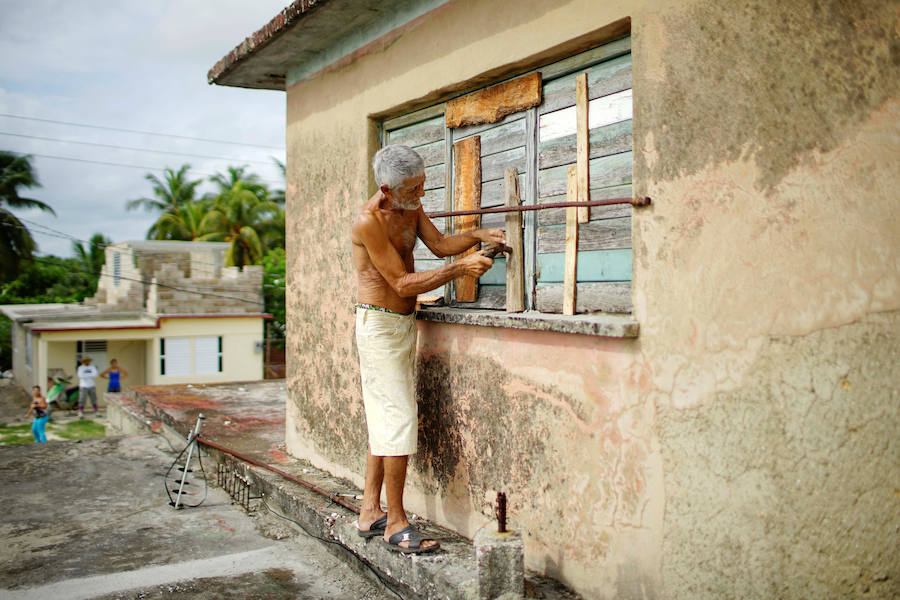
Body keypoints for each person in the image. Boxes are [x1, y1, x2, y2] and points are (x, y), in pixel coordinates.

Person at [351, 144, 504, 553]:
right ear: (387, 189)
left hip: (403, 324)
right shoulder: (369, 221)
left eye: (422, 186)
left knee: (386, 416)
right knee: (398, 418)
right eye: (413, 189)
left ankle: (369, 512)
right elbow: (400, 283)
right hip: (379, 326)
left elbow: (437, 245)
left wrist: (474, 237)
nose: (421, 195)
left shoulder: (410, 206)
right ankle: (395, 522)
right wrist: (461, 269)